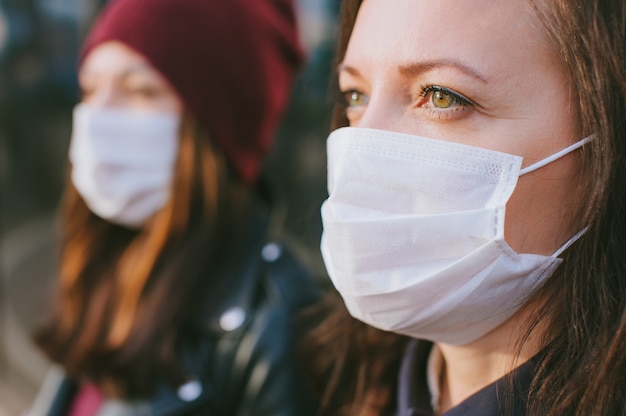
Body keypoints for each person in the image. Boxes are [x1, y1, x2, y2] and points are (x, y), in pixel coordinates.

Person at [306, 0, 626, 415]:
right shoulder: (322, 379)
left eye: (441, 95)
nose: (362, 150)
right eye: (355, 94)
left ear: (607, 135)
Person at [28, 0, 320, 414]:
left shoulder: (280, 323)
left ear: (218, 126)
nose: (98, 116)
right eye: (90, 89)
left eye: (140, 90)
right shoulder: (110, 260)